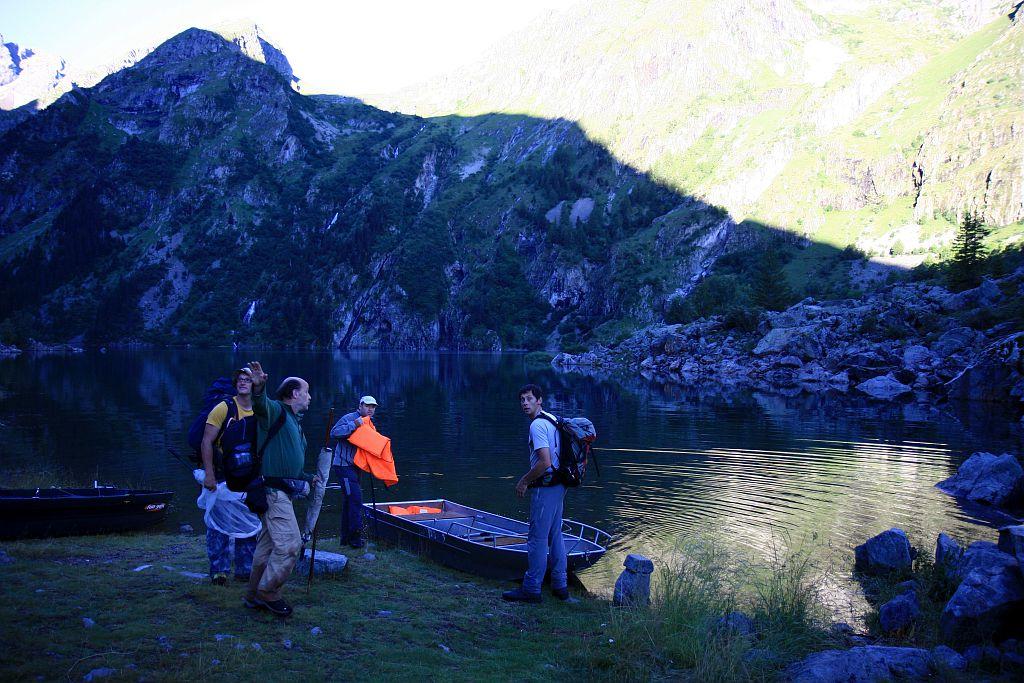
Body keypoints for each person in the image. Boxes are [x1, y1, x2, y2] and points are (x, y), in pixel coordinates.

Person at [242, 361, 320, 617]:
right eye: (306, 391)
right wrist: (259, 387)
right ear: (294, 393)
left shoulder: (294, 422)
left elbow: (290, 464)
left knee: (266, 547)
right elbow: (260, 404)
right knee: (289, 545)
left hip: (280, 490)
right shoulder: (275, 411)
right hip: (272, 493)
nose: (309, 396)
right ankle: (269, 592)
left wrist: (308, 477)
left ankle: (254, 596)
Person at [502, 384, 570, 603]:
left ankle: (531, 589)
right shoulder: (552, 419)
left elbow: (544, 462)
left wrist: (524, 481)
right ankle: (560, 587)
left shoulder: (537, 426)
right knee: (555, 535)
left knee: (537, 538)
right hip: (560, 484)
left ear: (539, 400)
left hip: (546, 487)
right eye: (522, 399)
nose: (525, 403)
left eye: (529, 399)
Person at [200, 368, 258, 585]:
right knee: (217, 524)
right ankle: (218, 570)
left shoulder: (260, 410)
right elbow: (206, 441)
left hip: (249, 476)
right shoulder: (223, 408)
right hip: (223, 475)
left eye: (247, 380)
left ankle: (245, 569)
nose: (243, 383)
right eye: (240, 380)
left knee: (248, 522)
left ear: (255, 384)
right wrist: (209, 474)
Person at [329, 396, 378, 548]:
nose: (370, 409)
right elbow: (334, 433)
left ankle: (345, 540)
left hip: (356, 467)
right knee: (355, 501)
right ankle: (355, 541)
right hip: (344, 466)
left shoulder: (369, 423)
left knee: (348, 502)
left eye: (373, 407)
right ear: (360, 405)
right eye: (368, 406)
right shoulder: (350, 418)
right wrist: (354, 425)